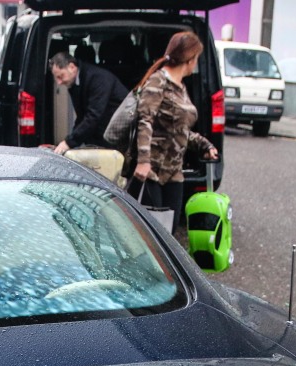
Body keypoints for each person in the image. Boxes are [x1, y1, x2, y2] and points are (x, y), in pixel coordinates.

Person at [126, 32, 219, 232]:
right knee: (151, 233)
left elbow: (179, 130)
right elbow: (145, 120)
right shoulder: (157, 81)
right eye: (197, 58)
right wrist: (143, 161)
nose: (196, 63)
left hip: (174, 172)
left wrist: (205, 144)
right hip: (151, 171)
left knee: (170, 232)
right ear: (190, 59)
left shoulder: (181, 87)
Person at [49, 51, 128, 156]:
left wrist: (69, 142)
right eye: (56, 78)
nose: (59, 82)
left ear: (72, 67)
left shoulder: (98, 78)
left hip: (116, 134)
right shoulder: (74, 83)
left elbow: (93, 116)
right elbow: (82, 117)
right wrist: (70, 141)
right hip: (101, 133)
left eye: (61, 76)